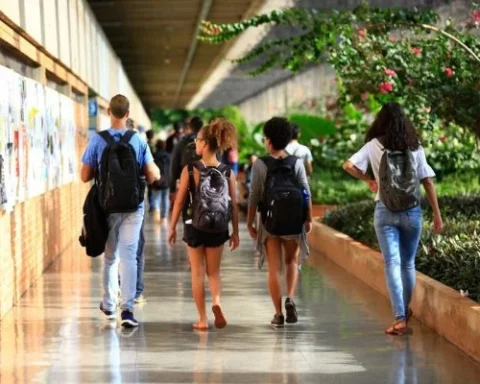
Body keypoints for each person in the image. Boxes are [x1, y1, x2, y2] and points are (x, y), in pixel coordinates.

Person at [343, 101, 443, 335]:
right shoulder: (415, 146)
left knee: (392, 264)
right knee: (408, 264)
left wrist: (368, 179)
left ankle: (399, 317)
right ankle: (404, 311)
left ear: (381, 121)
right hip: (412, 211)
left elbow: (347, 165)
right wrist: (437, 215)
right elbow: (427, 181)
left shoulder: (373, 145)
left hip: (384, 211)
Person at [80, 94, 160, 328]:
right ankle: (128, 309)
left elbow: (85, 175)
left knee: (110, 257)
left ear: (108, 112)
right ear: (128, 114)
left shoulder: (97, 140)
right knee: (130, 256)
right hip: (133, 207)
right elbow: (153, 174)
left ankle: (109, 304)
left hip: (106, 207)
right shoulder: (137, 140)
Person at [168, 118, 240, 331]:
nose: (195, 144)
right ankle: (216, 303)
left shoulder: (190, 170)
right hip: (218, 226)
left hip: (194, 226)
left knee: (197, 272)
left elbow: (179, 201)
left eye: (198, 141)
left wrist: (172, 227)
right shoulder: (228, 172)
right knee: (214, 272)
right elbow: (233, 205)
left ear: (206, 144)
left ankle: (202, 319)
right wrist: (235, 232)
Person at [247, 117, 312, 328]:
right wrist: (308, 218)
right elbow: (305, 192)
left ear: (268, 141)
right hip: (294, 221)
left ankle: (278, 314)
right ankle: (290, 298)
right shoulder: (297, 162)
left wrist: (249, 222)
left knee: (273, 268)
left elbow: (254, 195)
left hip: (269, 221)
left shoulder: (260, 163)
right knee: (291, 262)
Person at [125, 116, 148, 305]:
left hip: (110, 205)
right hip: (135, 203)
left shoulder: (103, 140)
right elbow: (153, 173)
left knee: (114, 252)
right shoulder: (140, 142)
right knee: (137, 248)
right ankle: (136, 292)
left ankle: (116, 291)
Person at [169, 116, 203, 205]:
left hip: (187, 183)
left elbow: (174, 165)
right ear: (202, 127)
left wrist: (172, 188)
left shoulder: (182, 142)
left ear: (190, 127)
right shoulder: (209, 142)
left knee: (188, 212)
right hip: (205, 183)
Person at [151, 139, 171, 224]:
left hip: (156, 180)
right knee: (165, 198)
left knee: (156, 198)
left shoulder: (154, 155)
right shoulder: (168, 155)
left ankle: (157, 216)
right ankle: (164, 217)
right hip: (166, 180)